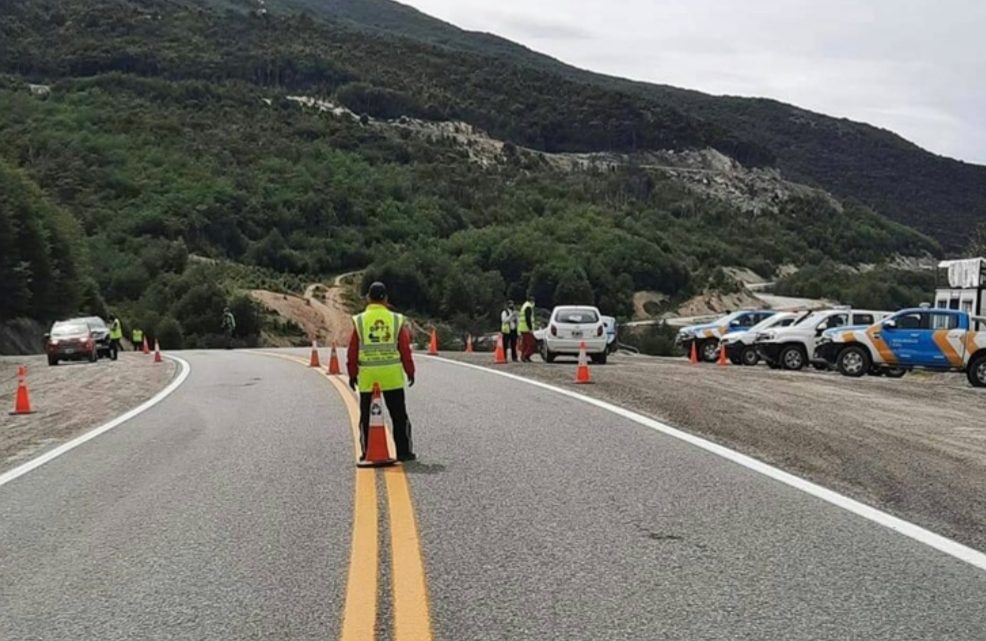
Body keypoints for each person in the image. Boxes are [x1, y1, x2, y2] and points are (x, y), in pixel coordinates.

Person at [347, 282, 417, 462]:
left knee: (367, 418)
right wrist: (410, 370)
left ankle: (367, 452)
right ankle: (404, 452)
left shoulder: (360, 320)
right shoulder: (395, 319)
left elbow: (353, 349)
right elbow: (404, 348)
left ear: (368, 298)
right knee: (399, 416)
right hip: (391, 376)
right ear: (386, 298)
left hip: (368, 377)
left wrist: (352, 373)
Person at [518, 296, 537, 362]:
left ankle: (524, 357)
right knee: (532, 344)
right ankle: (525, 355)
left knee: (525, 344)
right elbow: (528, 318)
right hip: (526, 328)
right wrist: (530, 328)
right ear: (531, 301)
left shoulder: (524, 306)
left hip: (522, 328)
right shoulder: (528, 307)